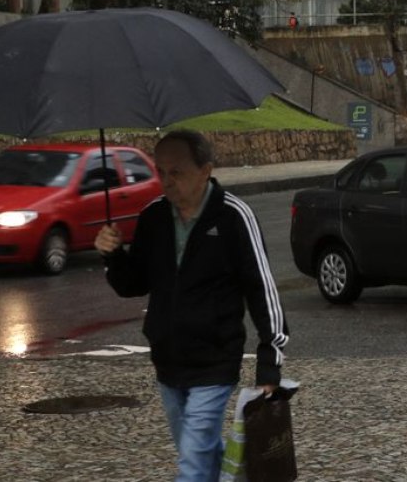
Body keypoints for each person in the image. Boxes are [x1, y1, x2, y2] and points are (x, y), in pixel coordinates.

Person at [95, 130, 288, 482]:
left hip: (214, 362)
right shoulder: (153, 217)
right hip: (167, 362)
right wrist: (112, 254)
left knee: (192, 465)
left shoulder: (233, 217)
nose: (167, 181)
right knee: (198, 452)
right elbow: (132, 284)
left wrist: (269, 364)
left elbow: (263, 291)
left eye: (177, 172)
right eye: (161, 171)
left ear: (205, 170)